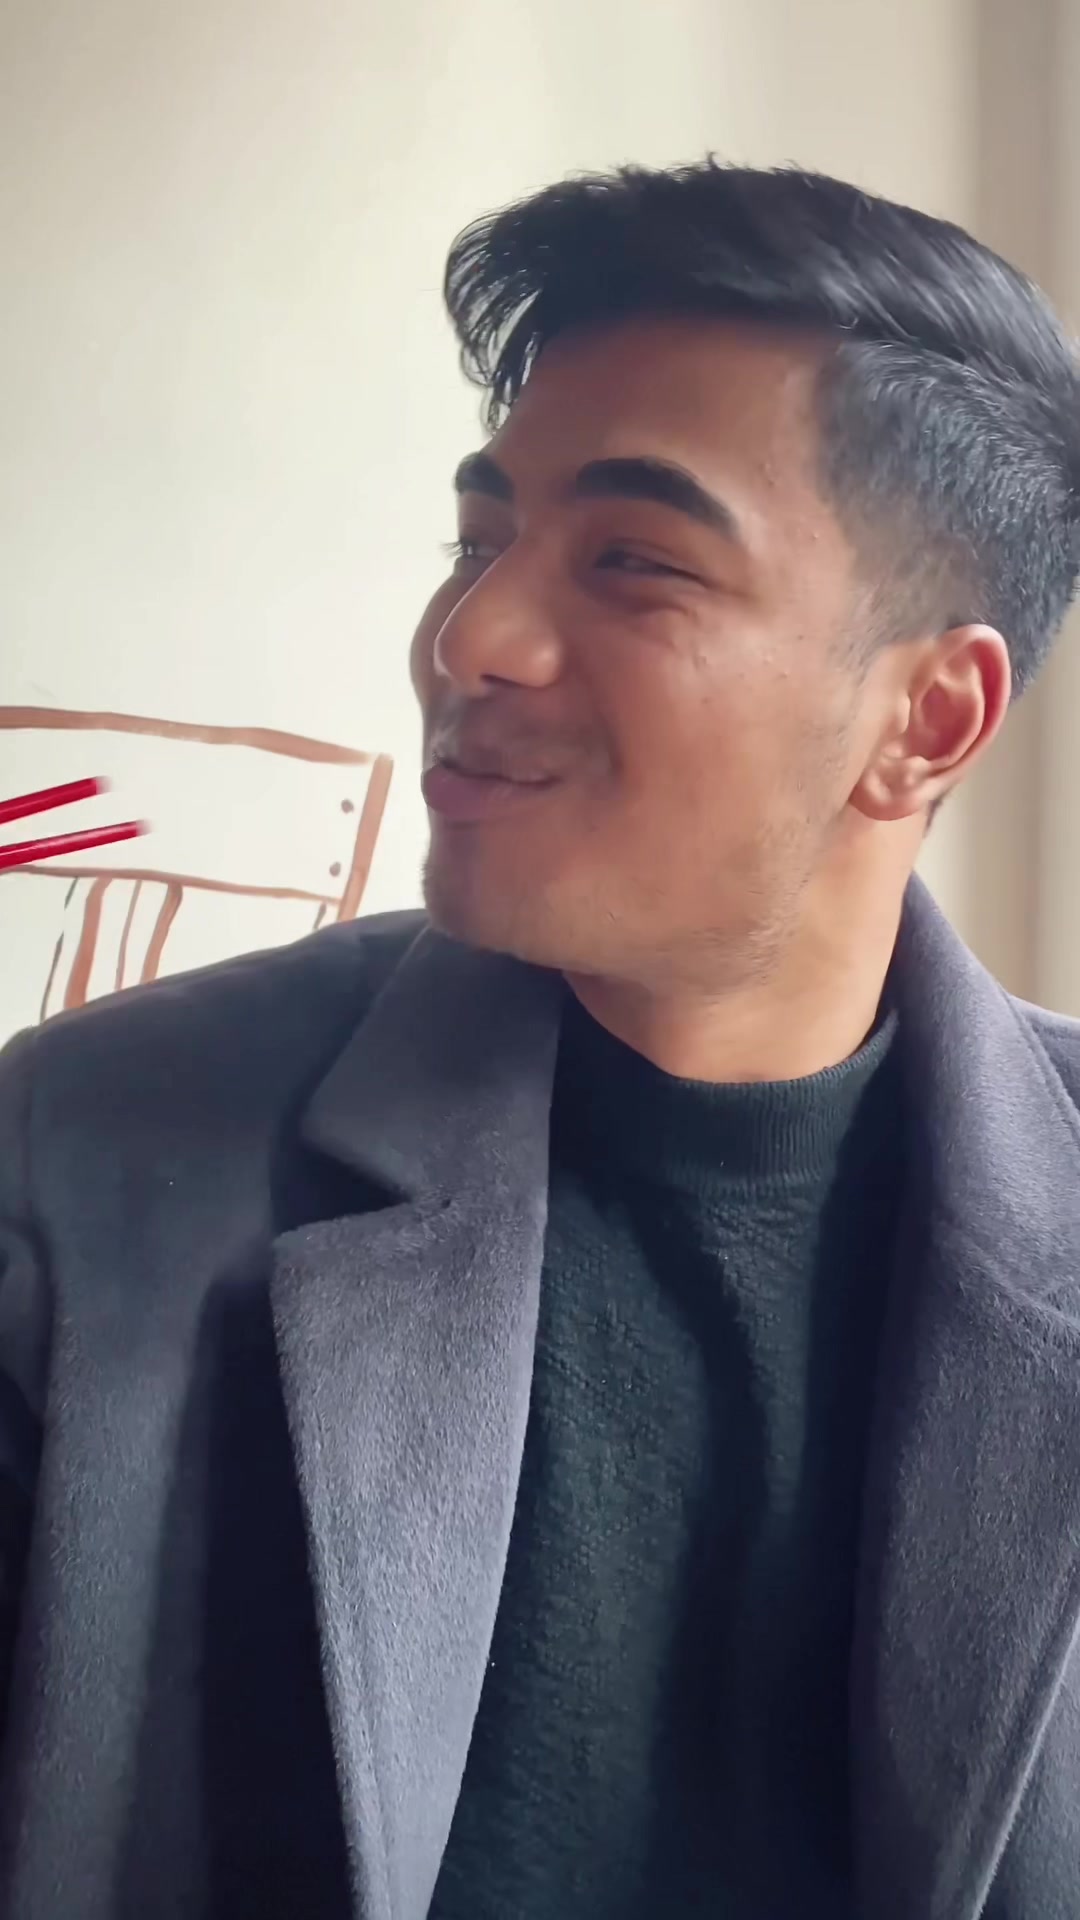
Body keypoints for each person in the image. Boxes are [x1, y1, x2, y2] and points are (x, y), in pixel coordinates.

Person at [1, 160, 1079, 1920]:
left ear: (928, 718)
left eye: (635, 563)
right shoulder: (87, 1162)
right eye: (480, 539)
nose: (470, 636)